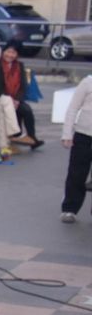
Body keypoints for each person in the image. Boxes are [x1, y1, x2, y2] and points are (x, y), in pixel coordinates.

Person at [58, 71, 92, 221]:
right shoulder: (87, 82)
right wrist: (67, 134)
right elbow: (72, 108)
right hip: (83, 134)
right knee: (77, 173)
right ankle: (70, 209)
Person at [0, 42, 41, 148]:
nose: (10, 55)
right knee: (12, 109)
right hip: (2, 97)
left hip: (16, 98)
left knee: (26, 110)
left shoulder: (19, 65)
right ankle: (16, 135)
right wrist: (9, 100)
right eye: (8, 51)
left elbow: (23, 85)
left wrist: (17, 99)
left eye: (13, 53)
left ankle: (32, 138)